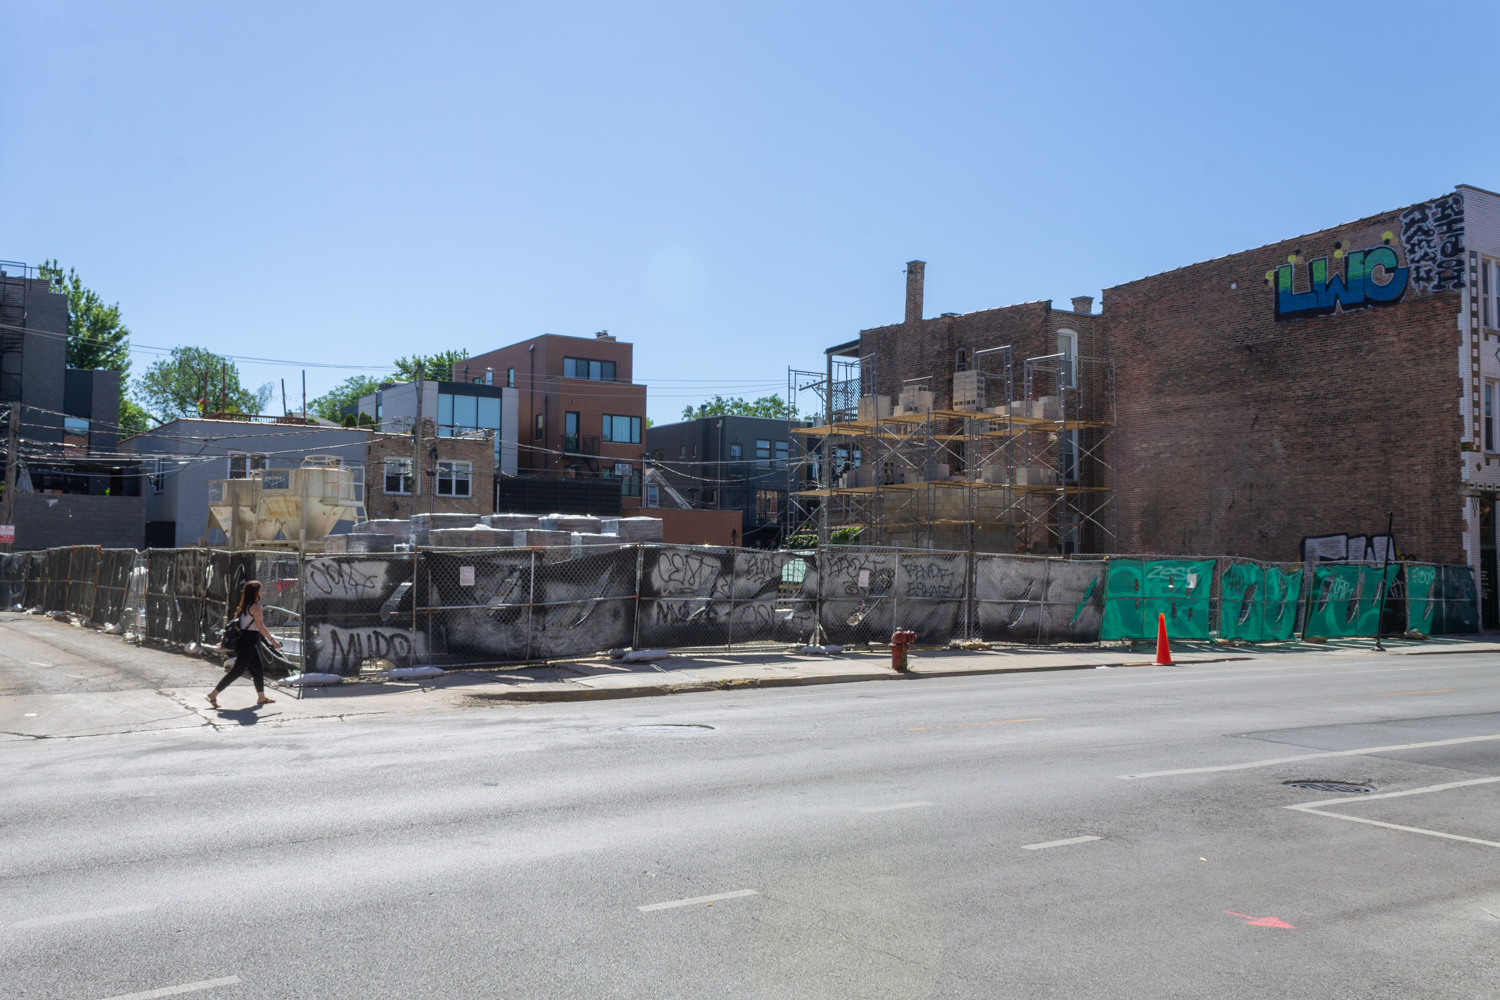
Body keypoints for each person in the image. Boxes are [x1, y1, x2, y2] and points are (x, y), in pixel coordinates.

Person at [207, 580, 282, 707]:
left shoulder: (244, 606)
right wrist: (273, 641)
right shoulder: (256, 607)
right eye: (260, 590)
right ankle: (213, 694)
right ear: (255, 593)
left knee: (258, 668)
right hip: (248, 642)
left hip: (245, 642)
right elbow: (261, 627)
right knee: (238, 670)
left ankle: (261, 697)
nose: (262, 592)